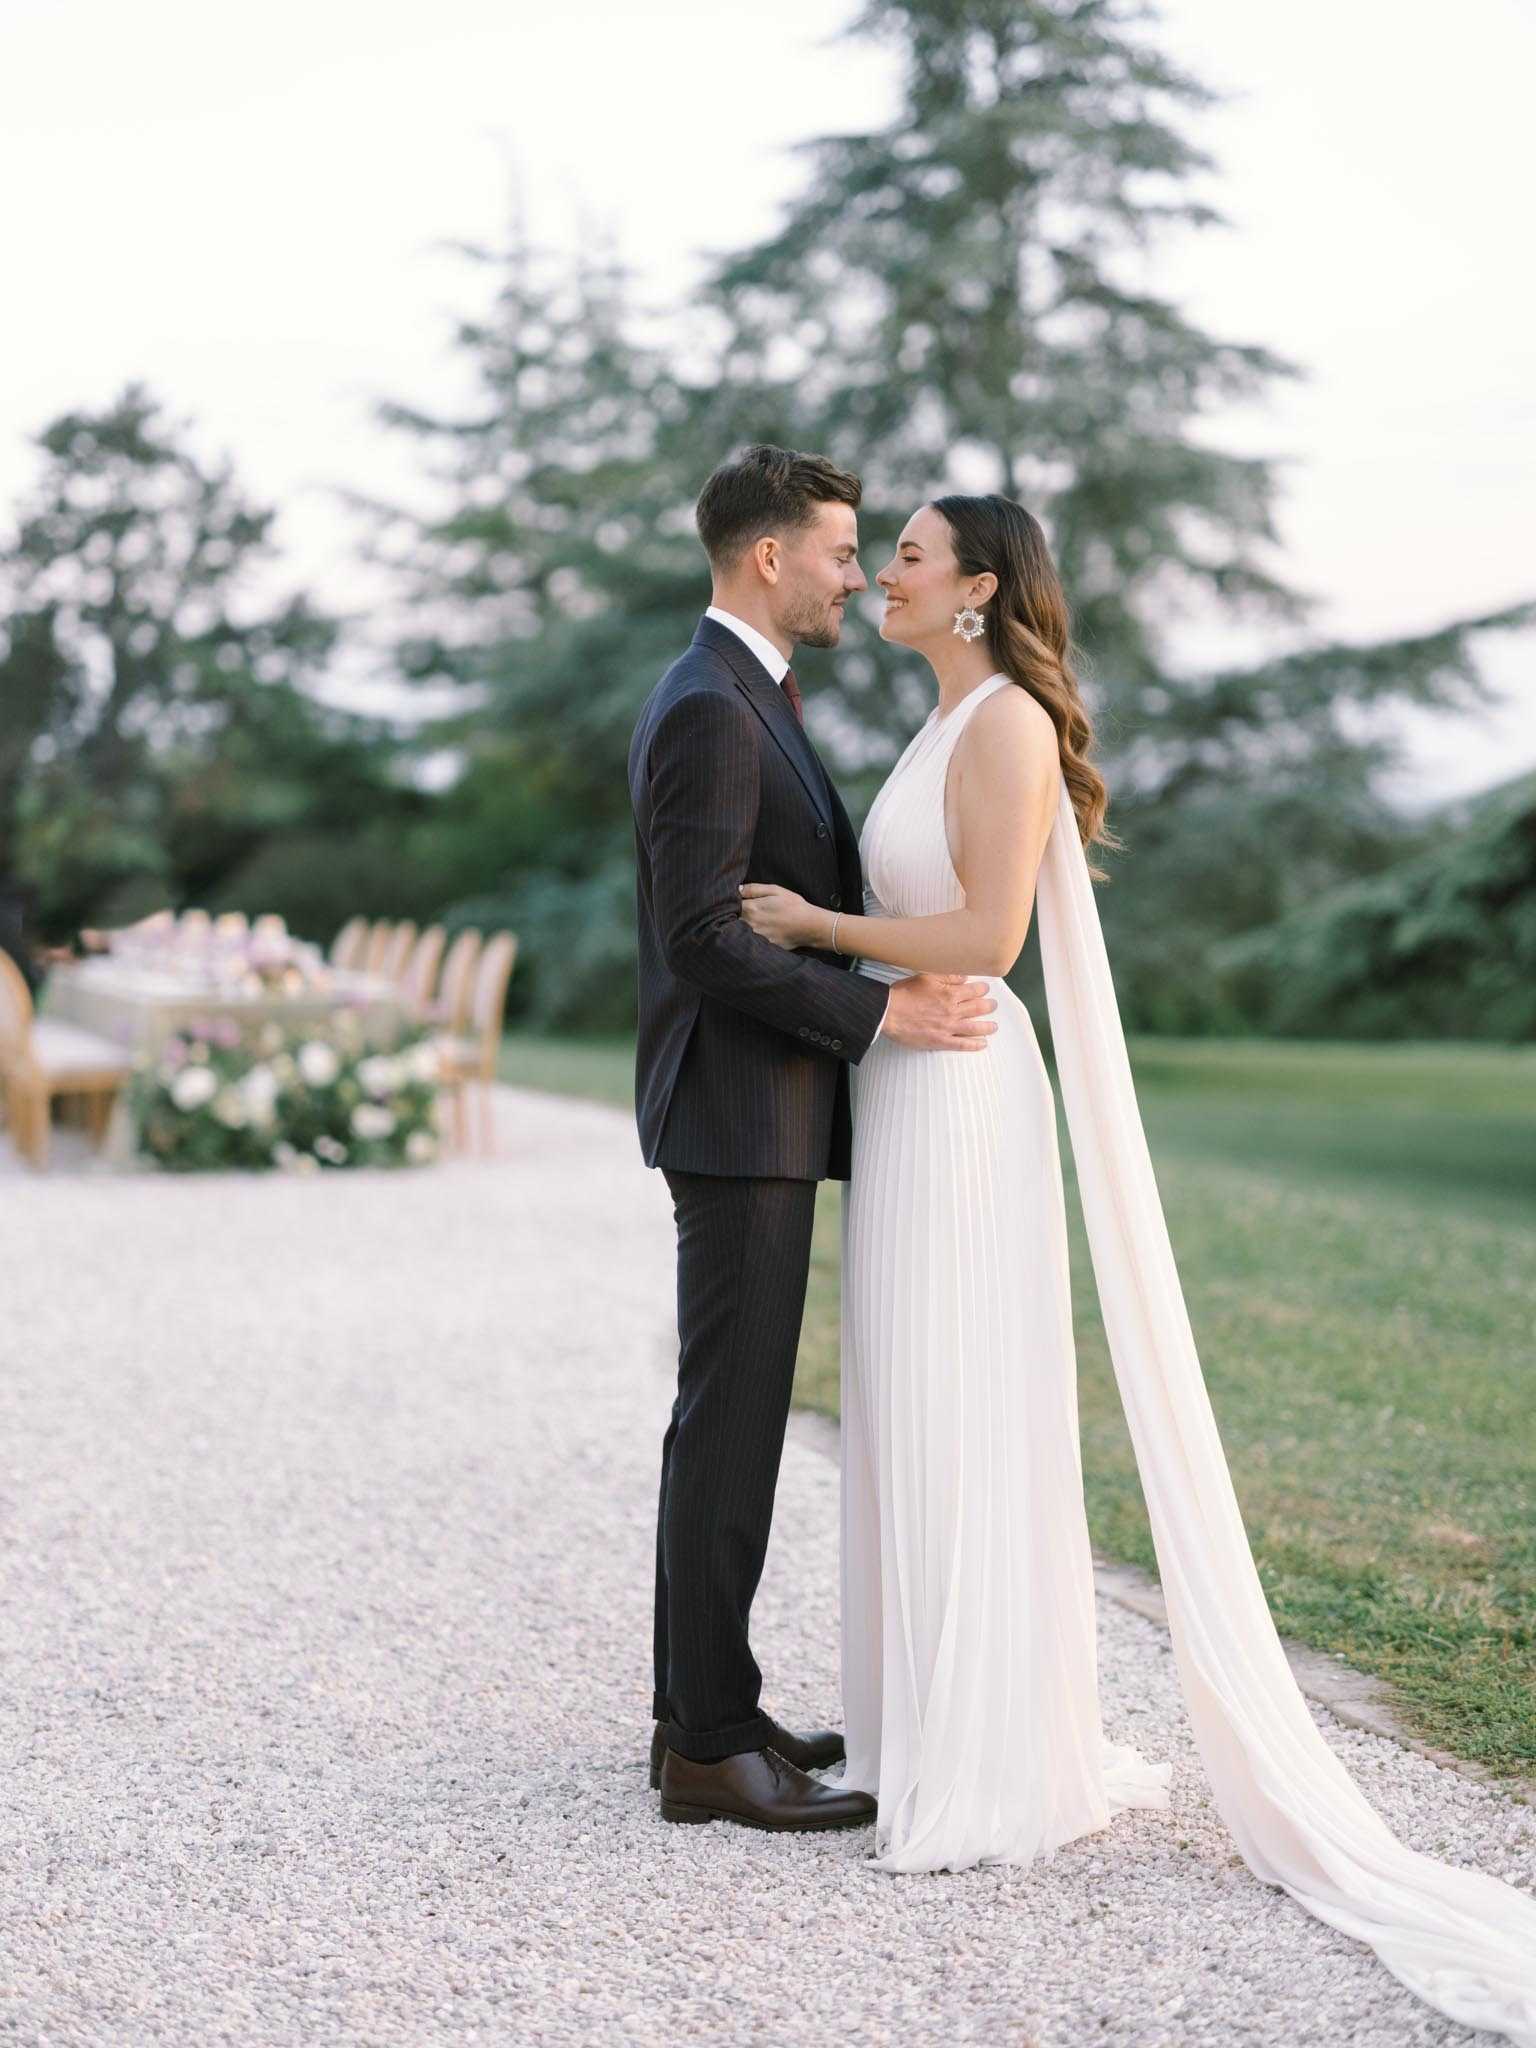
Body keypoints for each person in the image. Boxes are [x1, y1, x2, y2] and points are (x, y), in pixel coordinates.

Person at [739, 492, 1536, 2043]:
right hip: (908, 1085)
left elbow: (980, 938)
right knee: (910, 1396)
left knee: (961, 1388)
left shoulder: (1009, 729)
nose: (881, 572)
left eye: (905, 553)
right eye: (882, 551)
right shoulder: (942, 718)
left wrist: (808, 926)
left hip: (961, 1086)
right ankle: (920, 1724)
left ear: (976, 588)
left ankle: (988, 1754)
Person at [627, 445, 998, 1832]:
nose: (858, 571)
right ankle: (709, 1745)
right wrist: (876, 1013)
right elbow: (706, 937)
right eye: (841, 548)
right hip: (738, 1114)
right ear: (768, 556)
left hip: (757, 1112)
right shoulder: (712, 706)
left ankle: (705, 1708)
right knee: (727, 1427)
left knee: (729, 1421)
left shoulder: (742, 690)